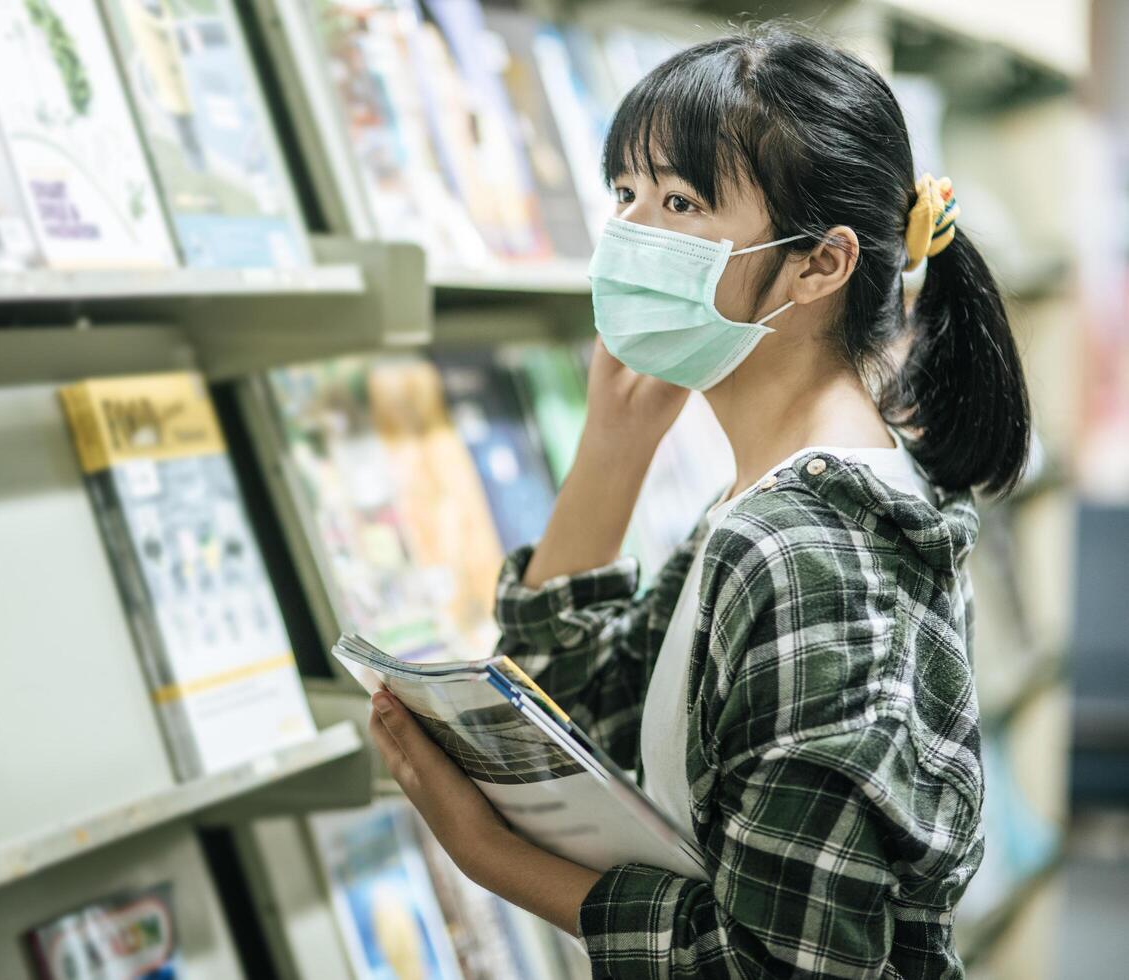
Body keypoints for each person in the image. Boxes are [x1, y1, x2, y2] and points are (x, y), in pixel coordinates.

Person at [366, 23, 1030, 979]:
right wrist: (612, 447)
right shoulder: (771, 499)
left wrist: (491, 859)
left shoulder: (805, 552)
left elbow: (771, 966)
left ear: (820, 264)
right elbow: (579, 718)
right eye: (624, 194)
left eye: (679, 201)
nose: (629, 235)